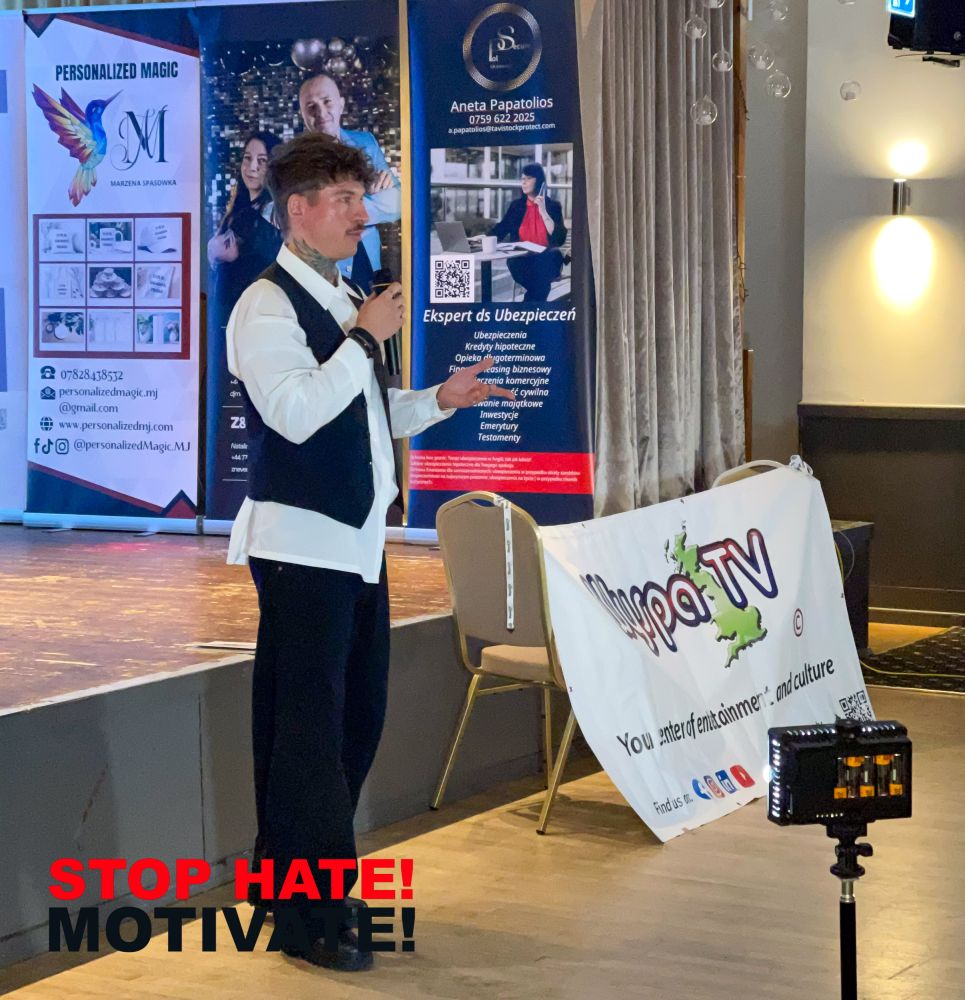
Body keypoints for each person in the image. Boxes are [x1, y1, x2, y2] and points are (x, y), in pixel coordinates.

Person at [226, 132, 513, 973]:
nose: (361, 214)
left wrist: (437, 400)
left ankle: (303, 886)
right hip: (300, 544)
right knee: (308, 734)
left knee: (355, 720)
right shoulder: (266, 306)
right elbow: (294, 414)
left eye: (361, 197)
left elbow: (364, 414)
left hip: (354, 543)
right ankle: (306, 914)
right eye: (345, 200)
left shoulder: (349, 297)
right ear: (299, 212)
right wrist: (359, 339)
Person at [299, 73, 400, 287]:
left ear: (341, 105)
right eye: (311, 107)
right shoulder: (296, 158)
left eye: (327, 102)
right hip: (326, 270)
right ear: (303, 114)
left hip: (368, 260)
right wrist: (365, 197)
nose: (321, 113)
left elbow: (398, 203)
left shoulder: (366, 143)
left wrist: (337, 211)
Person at [207, 131, 284, 312]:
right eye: (247, 158)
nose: (252, 167)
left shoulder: (275, 214)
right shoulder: (239, 211)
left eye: (262, 160)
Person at [489, 163, 568, 302]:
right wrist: (483, 238)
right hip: (521, 259)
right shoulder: (516, 206)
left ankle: (525, 312)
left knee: (540, 283)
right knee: (541, 286)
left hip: (546, 258)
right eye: (522, 179)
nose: (523, 182)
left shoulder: (553, 206)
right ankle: (529, 312)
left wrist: (543, 211)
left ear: (539, 181)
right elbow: (501, 229)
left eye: (528, 178)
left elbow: (559, 239)